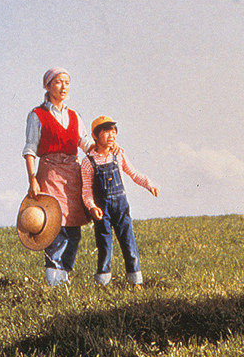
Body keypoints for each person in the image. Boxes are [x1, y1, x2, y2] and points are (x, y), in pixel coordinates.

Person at [22, 67, 94, 285]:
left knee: (73, 226)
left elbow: (84, 142)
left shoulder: (74, 115)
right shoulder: (37, 115)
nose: (63, 86)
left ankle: (65, 273)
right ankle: (54, 276)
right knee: (55, 225)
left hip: (72, 173)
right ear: (47, 86)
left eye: (67, 82)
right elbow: (30, 149)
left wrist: (103, 149)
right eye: (58, 82)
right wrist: (32, 179)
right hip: (50, 171)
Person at [81, 116, 159, 287]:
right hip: (102, 212)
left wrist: (148, 184)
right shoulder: (88, 162)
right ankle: (102, 283)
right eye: (107, 131)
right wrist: (92, 207)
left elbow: (133, 173)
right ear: (95, 135)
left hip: (121, 208)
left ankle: (136, 281)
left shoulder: (119, 155)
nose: (112, 135)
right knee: (105, 248)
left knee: (129, 245)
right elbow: (86, 191)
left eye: (114, 131)